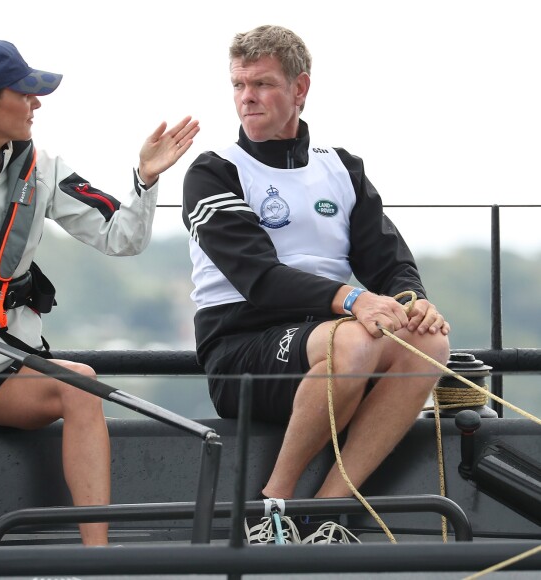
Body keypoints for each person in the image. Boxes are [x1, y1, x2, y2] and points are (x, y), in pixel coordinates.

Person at [182, 25, 450, 544]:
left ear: (300, 90)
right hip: (241, 346)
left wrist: (413, 303)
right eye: (238, 85)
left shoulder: (342, 168)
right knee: (354, 338)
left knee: (430, 342)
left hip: (331, 337)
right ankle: (271, 508)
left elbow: (387, 260)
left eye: (261, 84)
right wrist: (353, 299)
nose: (246, 98)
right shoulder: (213, 172)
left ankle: (327, 510)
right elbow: (258, 278)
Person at [0, 39, 199, 546]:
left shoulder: (42, 168)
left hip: (1, 369)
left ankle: (99, 562)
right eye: (24, 93)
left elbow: (123, 237)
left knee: (83, 385)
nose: (36, 104)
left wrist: (145, 179)